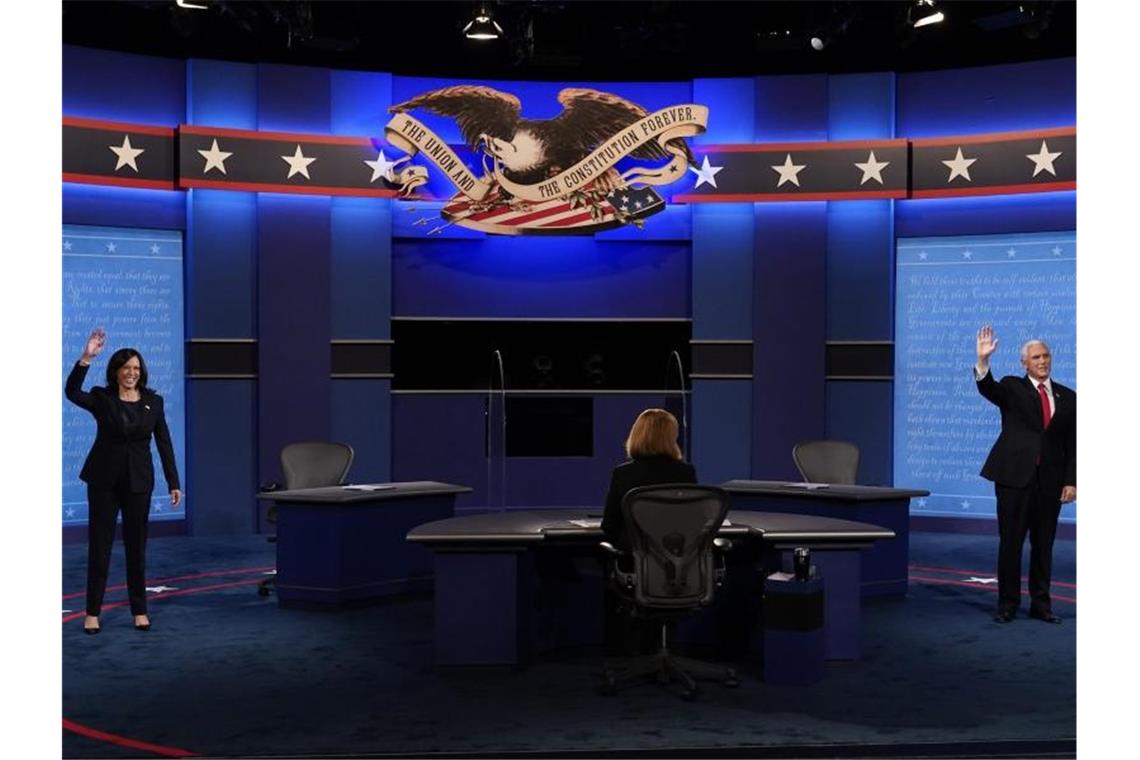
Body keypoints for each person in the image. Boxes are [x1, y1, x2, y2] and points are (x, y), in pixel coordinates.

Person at [65, 327, 182, 634]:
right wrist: (86, 357)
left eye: (136, 368)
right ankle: (92, 613)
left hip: (138, 483)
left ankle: (139, 610)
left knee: (136, 547)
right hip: (103, 481)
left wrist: (173, 481)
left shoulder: (153, 402)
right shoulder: (102, 398)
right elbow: (72, 392)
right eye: (126, 367)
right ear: (116, 371)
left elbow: (164, 441)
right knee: (100, 547)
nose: (131, 372)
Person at [974, 325, 1075, 624]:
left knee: (1044, 546)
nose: (1042, 361)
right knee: (1011, 544)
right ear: (1024, 363)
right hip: (1014, 480)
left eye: (1046, 356)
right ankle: (1007, 604)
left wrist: (1072, 480)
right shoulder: (1012, 388)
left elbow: (1074, 444)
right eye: (1036, 357)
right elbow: (987, 387)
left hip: (1050, 484)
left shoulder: (1069, 397)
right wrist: (983, 361)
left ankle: (1041, 605)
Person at [601, 408, 697, 554]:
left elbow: (609, 525)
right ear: (672, 437)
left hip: (634, 561)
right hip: (677, 557)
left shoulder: (623, 473)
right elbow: (693, 521)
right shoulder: (685, 472)